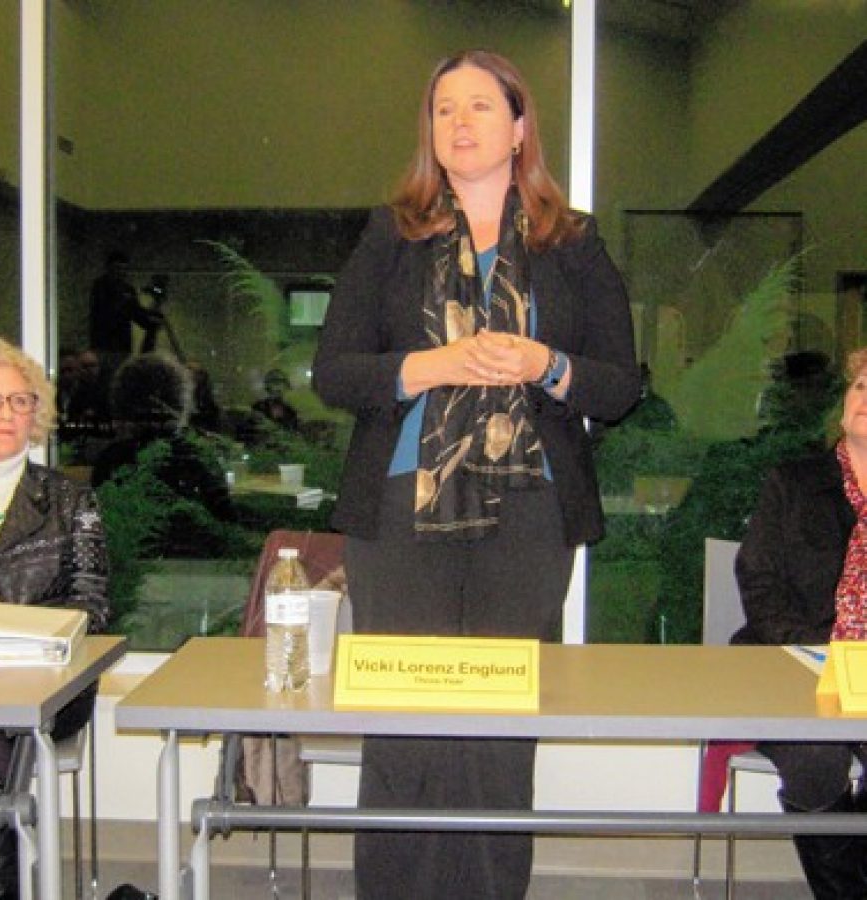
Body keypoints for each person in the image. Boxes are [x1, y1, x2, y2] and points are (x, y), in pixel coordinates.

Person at [312, 49, 639, 899]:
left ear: (520, 126)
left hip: (530, 511)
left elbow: (621, 384)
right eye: (444, 109)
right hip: (398, 508)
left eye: (480, 107)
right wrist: (433, 364)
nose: (459, 123)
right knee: (403, 730)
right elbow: (333, 371)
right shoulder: (391, 235)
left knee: (499, 731)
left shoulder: (574, 241)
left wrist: (544, 361)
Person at [0, 336, 109, 899]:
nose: (6, 413)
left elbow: (91, 609)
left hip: (38, 688)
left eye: (20, 401)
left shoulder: (71, 502)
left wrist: (12, 640)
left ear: (37, 416)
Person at [732, 346, 867, 898]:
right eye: (860, 386)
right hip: (789, 664)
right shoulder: (793, 480)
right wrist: (824, 657)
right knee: (815, 757)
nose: (864, 399)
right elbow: (759, 585)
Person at [91, 352, 234, 556]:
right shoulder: (197, 457)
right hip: (197, 572)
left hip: (129, 571)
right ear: (180, 400)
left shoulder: (112, 459)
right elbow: (225, 527)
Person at [88, 251, 163, 387]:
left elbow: (136, 313)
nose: (121, 273)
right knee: (104, 382)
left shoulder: (128, 290)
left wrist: (151, 318)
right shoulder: (100, 287)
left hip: (122, 347)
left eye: (123, 269)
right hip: (104, 345)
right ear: (109, 268)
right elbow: (106, 313)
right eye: (117, 268)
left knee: (120, 382)